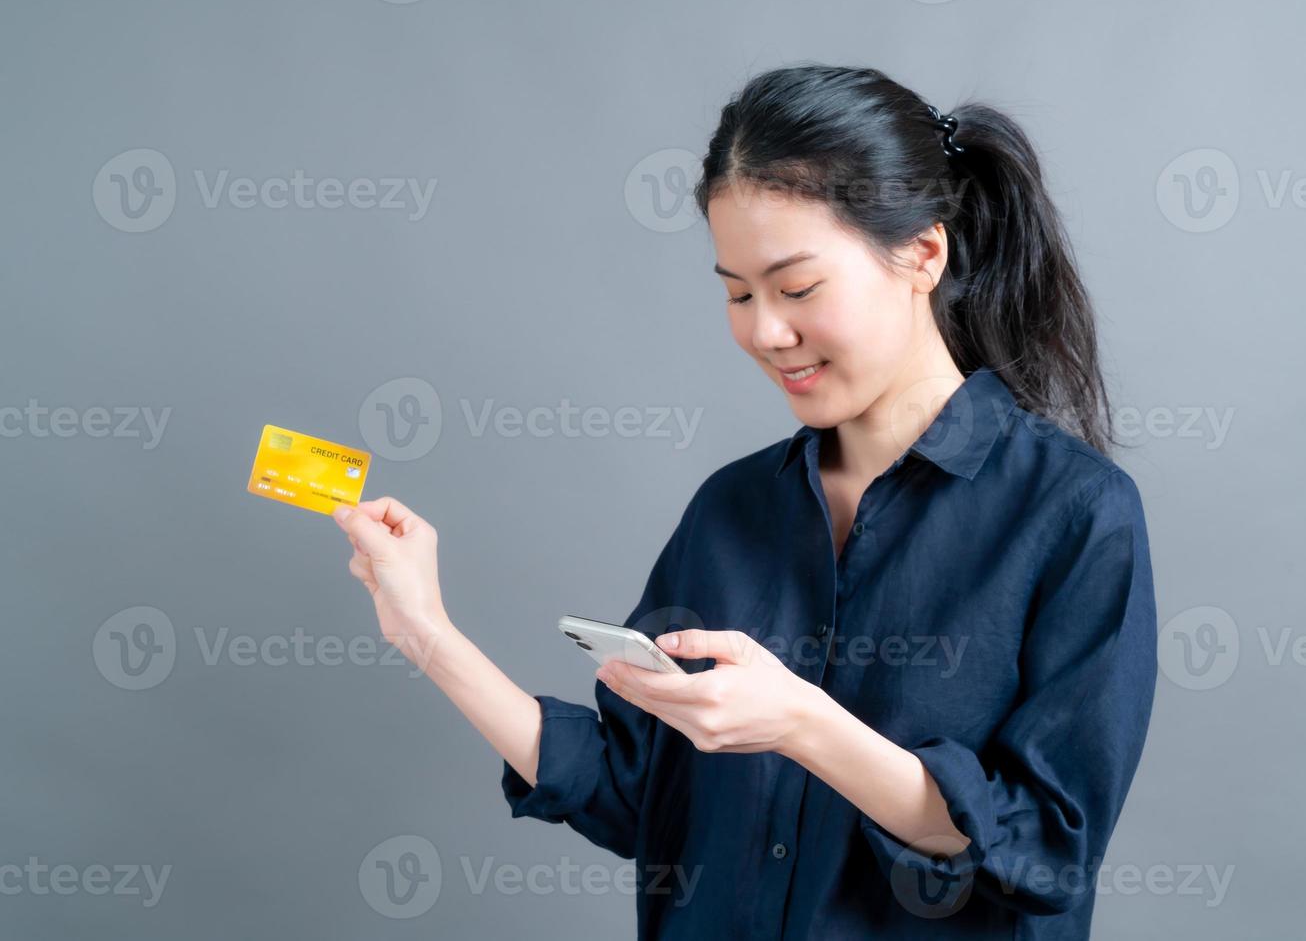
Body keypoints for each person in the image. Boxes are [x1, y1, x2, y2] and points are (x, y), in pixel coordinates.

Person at [332, 63, 1157, 939]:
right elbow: (629, 791)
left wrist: (805, 725)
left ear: (922, 252)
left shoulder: (1073, 513)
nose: (765, 331)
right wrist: (425, 630)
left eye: (797, 289)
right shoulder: (731, 509)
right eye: (737, 292)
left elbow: (1045, 850)